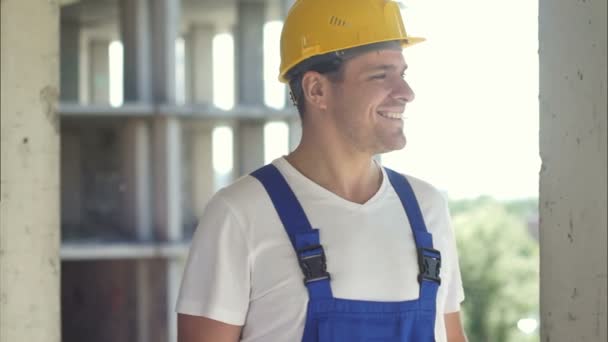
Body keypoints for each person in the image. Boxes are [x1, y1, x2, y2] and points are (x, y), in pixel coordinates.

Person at [176, 0, 467, 341]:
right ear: (317, 90)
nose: (406, 93)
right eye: (381, 75)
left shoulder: (427, 209)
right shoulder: (240, 215)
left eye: (402, 75)